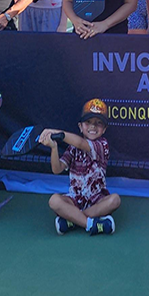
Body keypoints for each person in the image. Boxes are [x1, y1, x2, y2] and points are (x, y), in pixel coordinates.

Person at [40, 97, 121, 235]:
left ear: (104, 129)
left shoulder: (102, 145)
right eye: (88, 122)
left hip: (97, 200)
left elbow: (81, 144)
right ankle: (90, 224)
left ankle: (72, 220)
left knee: (115, 200)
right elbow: (57, 169)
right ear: (80, 127)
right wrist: (54, 148)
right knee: (54, 200)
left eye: (98, 123)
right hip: (75, 199)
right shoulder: (72, 148)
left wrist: (58, 134)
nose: (92, 127)